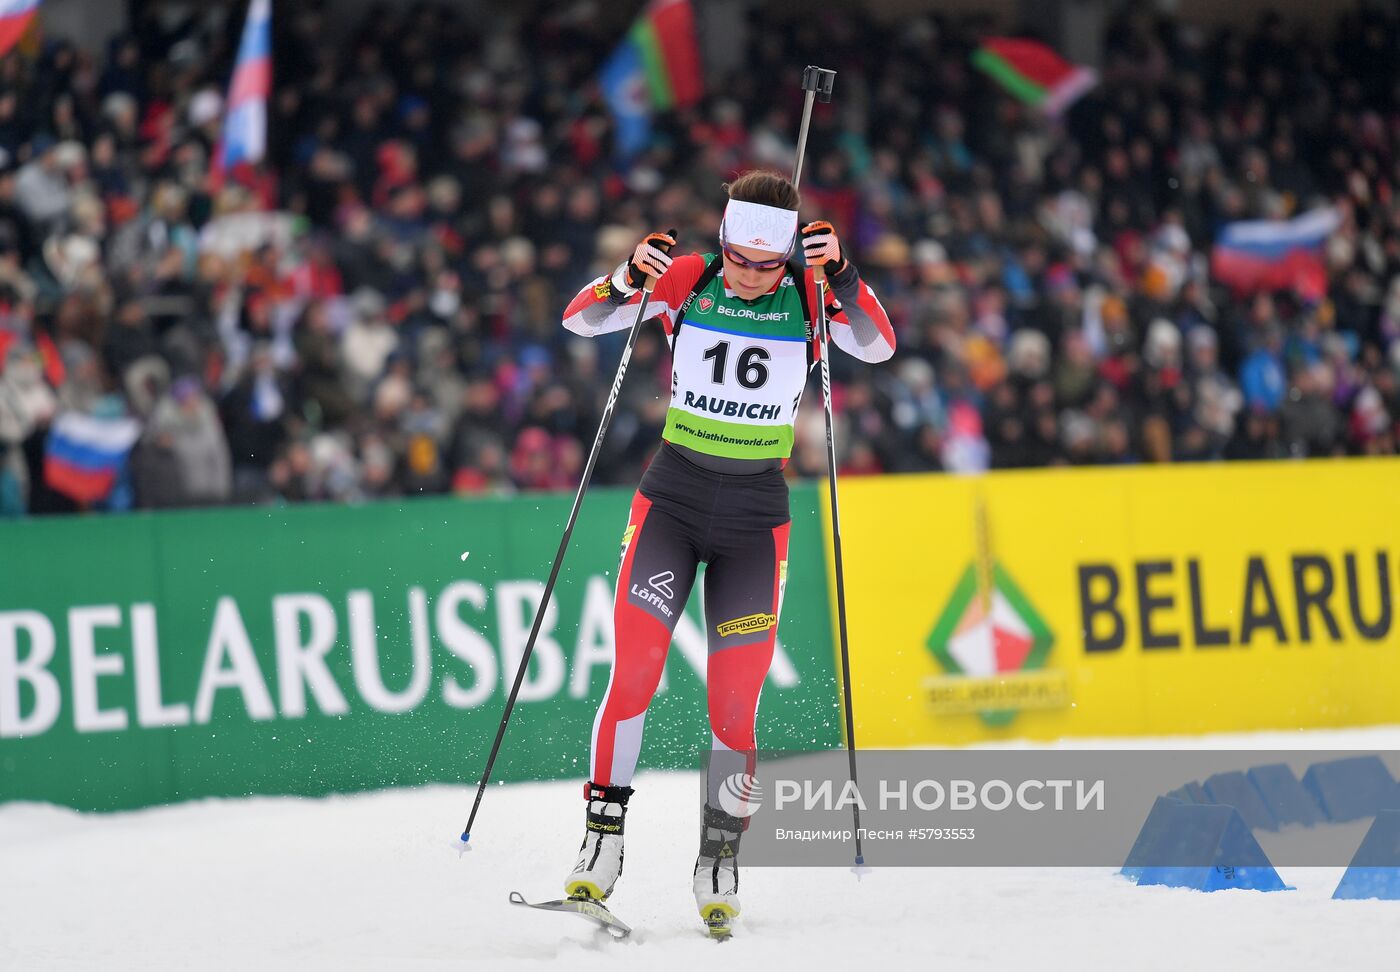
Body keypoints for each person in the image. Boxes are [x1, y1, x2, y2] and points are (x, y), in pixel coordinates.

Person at [558, 169, 895, 932]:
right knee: (636, 672)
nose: (746, 278)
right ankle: (600, 845)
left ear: (786, 257)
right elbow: (579, 322)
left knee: (733, 705)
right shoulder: (688, 278)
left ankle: (718, 856)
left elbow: (876, 346)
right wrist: (623, 277)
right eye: (737, 260)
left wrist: (842, 273)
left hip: (753, 518)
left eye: (763, 265)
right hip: (671, 501)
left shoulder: (809, 293)